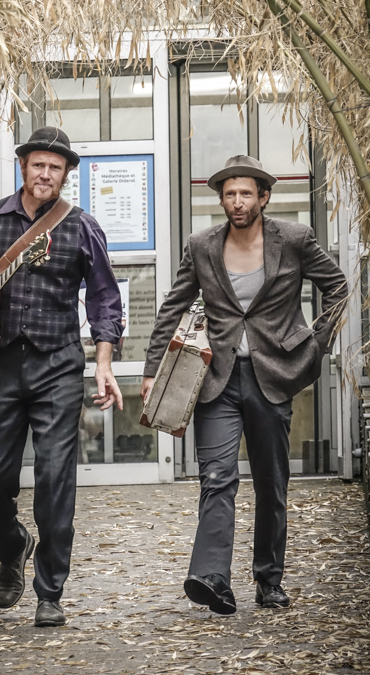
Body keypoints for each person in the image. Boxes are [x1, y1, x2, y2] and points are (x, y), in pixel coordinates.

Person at [140, 155, 348, 614]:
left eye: (246, 194)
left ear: (264, 198)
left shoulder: (293, 239)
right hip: (217, 379)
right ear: (221, 200)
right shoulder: (202, 245)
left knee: (272, 483)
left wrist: (316, 345)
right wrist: (153, 369)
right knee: (217, 478)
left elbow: (337, 286)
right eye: (229, 194)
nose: (237, 202)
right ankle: (212, 577)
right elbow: (172, 308)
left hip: (274, 376)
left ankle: (268, 579)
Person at [0, 127, 123, 627]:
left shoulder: (81, 226)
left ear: (66, 175)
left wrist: (103, 363)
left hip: (58, 365)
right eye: (38, 164)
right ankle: (13, 543)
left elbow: (106, 298)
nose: (46, 174)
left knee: (54, 479)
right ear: (24, 166)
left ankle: (50, 591)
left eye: (55, 168)